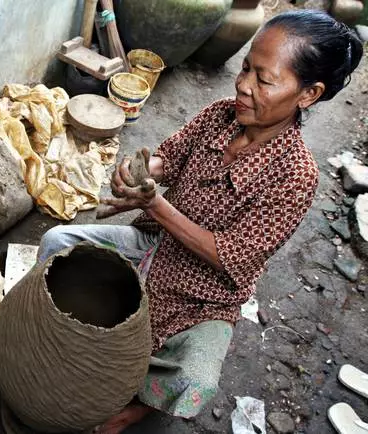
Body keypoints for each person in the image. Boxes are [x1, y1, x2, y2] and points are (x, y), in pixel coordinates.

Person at [37, 10, 363, 434]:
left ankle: (139, 411)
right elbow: (169, 157)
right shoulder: (221, 115)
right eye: (246, 67)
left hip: (204, 294)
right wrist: (143, 172)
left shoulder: (296, 177)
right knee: (58, 240)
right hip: (152, 245)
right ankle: (53, 334)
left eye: (264, 80)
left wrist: (155, 206)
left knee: (195, 379)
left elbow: (227, 256)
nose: (243, 84)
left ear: (308, 93)